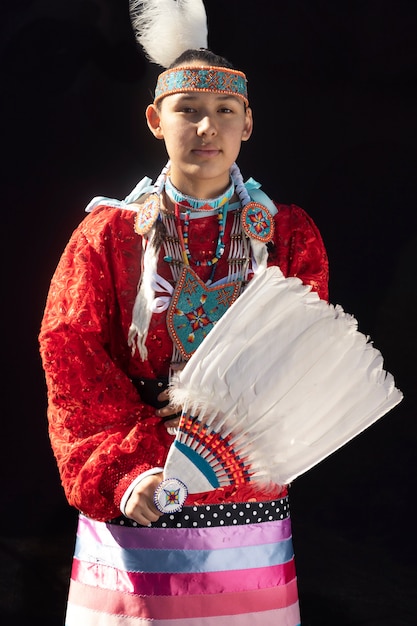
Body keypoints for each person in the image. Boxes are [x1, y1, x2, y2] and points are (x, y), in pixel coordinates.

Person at [39, 42, 329, 625]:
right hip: (138, 477)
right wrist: (125, 471)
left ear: (248, 122)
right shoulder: (107, 235)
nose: (207, 126)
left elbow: (305, 355)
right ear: (154, 120)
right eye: (187, 108)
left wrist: (231, 437)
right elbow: (71, 354)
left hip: (244, 482)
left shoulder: (286, 235)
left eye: (225, 109)